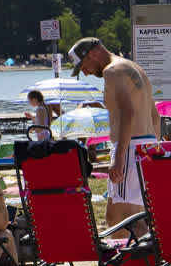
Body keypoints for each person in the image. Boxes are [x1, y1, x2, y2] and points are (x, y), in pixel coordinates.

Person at [67, 37, 160, 235]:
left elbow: (128, 113)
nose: (85, 72)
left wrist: (118, 159)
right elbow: (155, 116)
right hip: (146, 144)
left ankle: (152, 264)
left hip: (129, 147)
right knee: (115, 217)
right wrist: (155, 150)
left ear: (92, 54)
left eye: (83, 66)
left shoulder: (112, 71)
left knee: (128, 220)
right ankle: (147, 261)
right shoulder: (134, 67)